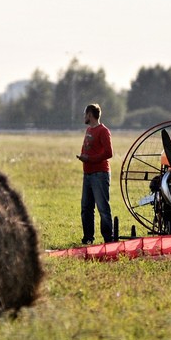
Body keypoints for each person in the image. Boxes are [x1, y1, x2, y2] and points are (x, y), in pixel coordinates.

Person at [76, 103, 114, 244]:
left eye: (85, 114)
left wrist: (90, 159)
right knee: (86, 208)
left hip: (100, 174)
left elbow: (109, 153)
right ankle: (88, 238)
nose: (84, 117)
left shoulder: (103, 131)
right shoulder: (89, 130)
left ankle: (108, 239)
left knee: (103, 208)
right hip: (88, 174)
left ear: (90, 115)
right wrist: (83, 157)